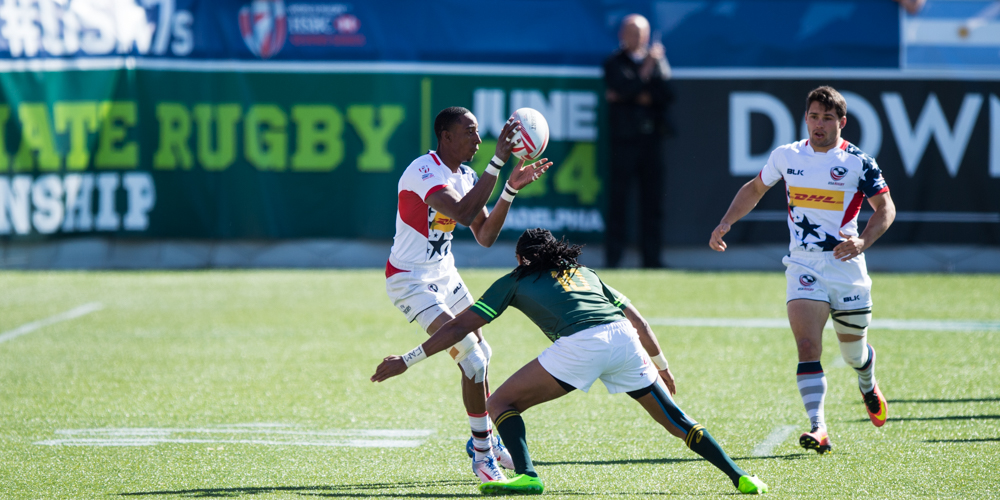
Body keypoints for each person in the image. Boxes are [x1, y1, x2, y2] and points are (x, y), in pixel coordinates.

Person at [374, 228, 769, 496]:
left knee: (498, 404)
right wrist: (662, 367)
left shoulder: (514, 279)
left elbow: (459, 326)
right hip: (624, 341)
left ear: (521, 258)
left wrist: (408, 360)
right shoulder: (585, 273)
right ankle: (741, 477)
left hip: (582, 344)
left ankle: (527, 476)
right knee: (678, 421)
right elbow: (641, 322)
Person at [709, 86, 896, 454]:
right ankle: (819, 426)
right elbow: (755, 188)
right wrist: (725, 222)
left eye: (828, 118)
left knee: (853, 355)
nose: (819, 124)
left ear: (842, 122)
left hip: (846, 267)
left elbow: (885, 208)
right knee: (808, 346)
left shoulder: (859, 162)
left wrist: (862, 242)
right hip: (803, 263)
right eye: (813, 116)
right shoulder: (787, 155)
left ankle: (867, 382)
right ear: (806, 118)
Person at [385, 107, 551, 483]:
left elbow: (485, 235)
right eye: (470, 132)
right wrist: (498, 161)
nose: (478, 140)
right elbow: (461, 213)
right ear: (445, 136)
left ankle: (485, 441)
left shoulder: (470, 175)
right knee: (473, 361)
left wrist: (509, 187)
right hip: (410, 279)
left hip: (444, 274)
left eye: (478, 134)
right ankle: (481, 455)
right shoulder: (423, 170)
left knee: (483, 354)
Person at [603, 14, 676, 268]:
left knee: (652, 203)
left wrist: (632, 94)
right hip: (624, 141)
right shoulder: (614, 62)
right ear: (622, 34)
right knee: (619, 201)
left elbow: (667, 93)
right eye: (631, 32)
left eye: (641, 32)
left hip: (651, 141)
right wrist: (643, 74)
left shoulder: (659, 62)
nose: (637, 37)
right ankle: (613, 259)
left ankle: (652, 260)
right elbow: (623, 87)